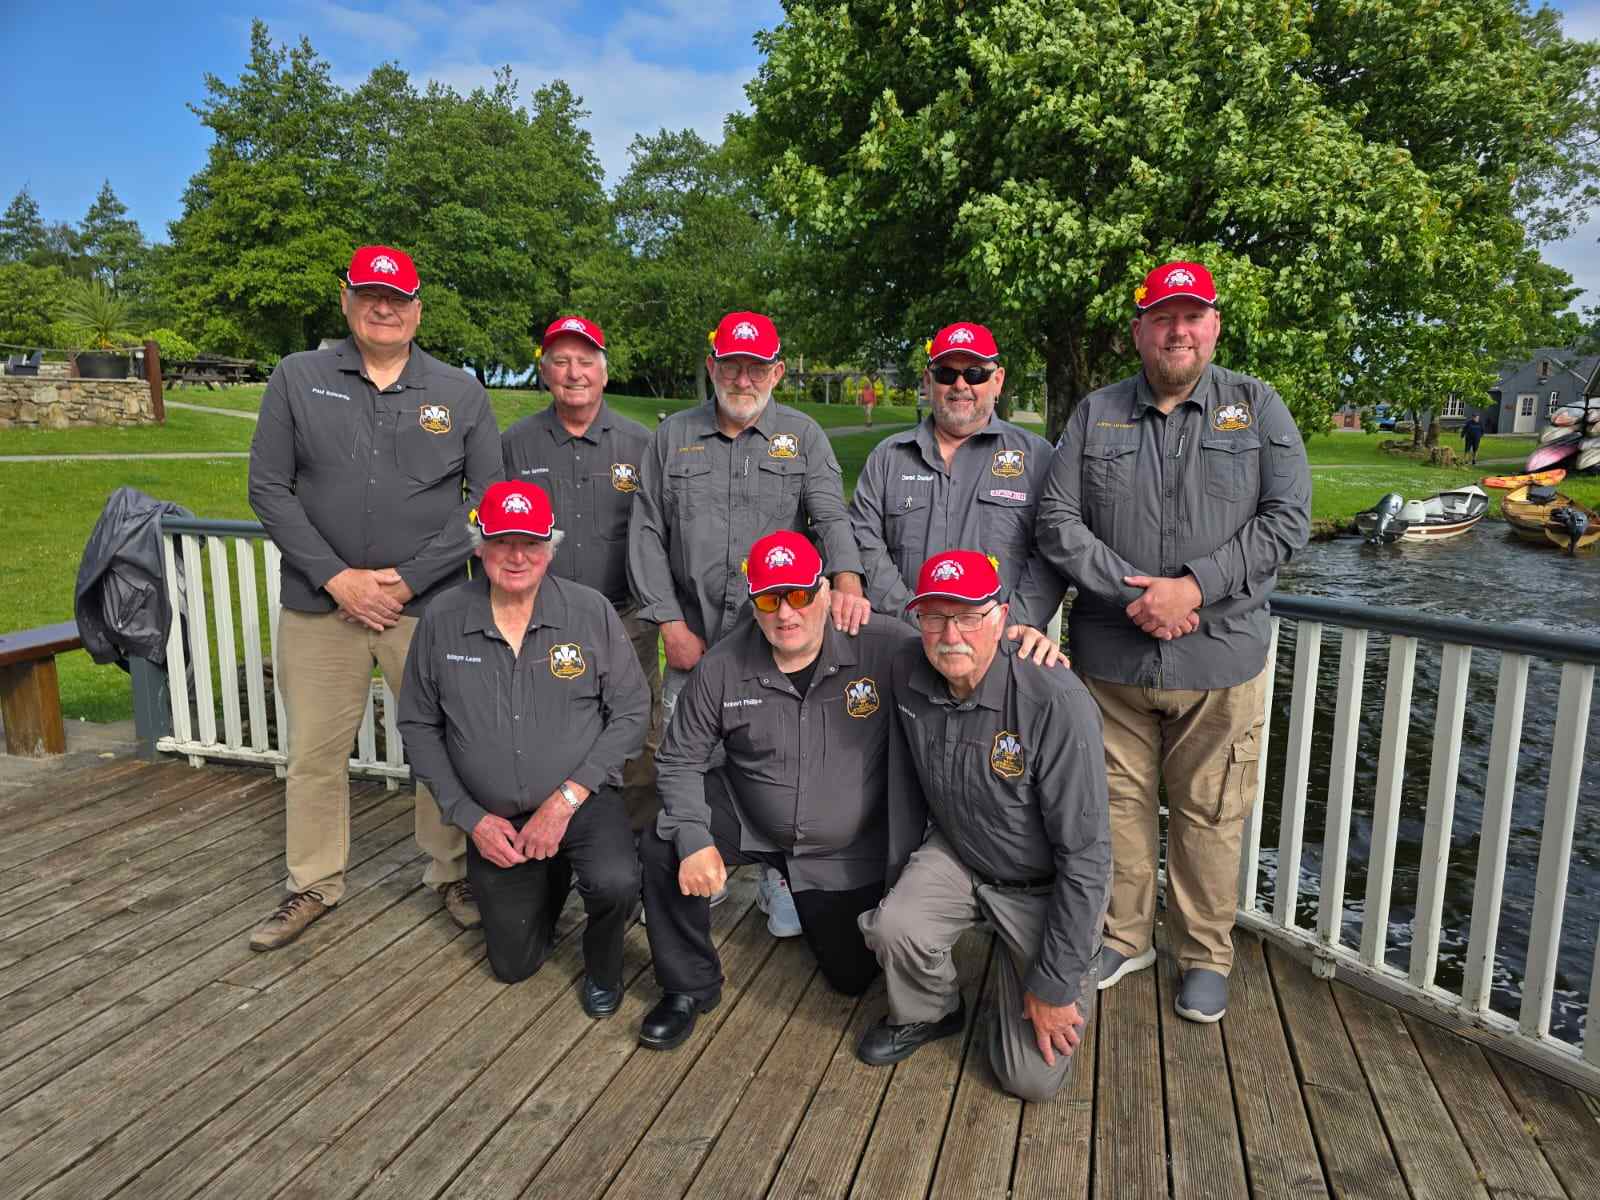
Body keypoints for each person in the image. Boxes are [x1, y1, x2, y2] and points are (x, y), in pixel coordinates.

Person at [1035, 260, 1311, 1022]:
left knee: (1210, 814)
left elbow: (1288, 519)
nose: (1177, 330)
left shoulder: (1258, 408)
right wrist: (1138, 592)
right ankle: (1124, 938)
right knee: (1114, 810)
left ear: (1214, 325)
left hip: (1219, 659)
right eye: (1162, 317)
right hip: (1112, 663)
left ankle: (1203, 953)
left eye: (1192, 316)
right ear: (1140, 331)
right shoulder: (1096, 413)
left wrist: (1193, 586)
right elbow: (1057, 523)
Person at [246, 244, 502, 950]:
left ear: (418, 309)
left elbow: (487, 504)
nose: (383, 307)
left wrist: (408, 579)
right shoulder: (298, 377)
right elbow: (268, 488)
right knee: (315, 753)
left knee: (444, 749)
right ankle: (313, 884)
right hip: (320, 605)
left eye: (398, 297)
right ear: (346, 300)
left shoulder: (460, 392)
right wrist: (339, 579)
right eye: (370, 294)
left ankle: (450, 873)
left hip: (428, 608)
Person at [628, 310, 870, 937]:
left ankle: (778, 876)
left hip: (778, 635)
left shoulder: (804, 435)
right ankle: (700, 860)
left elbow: (830, 517)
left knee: (783, 762)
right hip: (696, 637)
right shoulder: (672, 436)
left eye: (756, 366)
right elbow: (648, 533)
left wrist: (846, 580)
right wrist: (670, 624)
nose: (743, 377)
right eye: (731, 364)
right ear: (712, 366)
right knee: (694, 761)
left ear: (777, 371)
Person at [635, 531, 914, 1049]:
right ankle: (686, 987)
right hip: (752, 819)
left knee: (851, 979)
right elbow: (678, 759)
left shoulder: (884, 645)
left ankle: (796, 889)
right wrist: (695, 839)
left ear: (826, 592)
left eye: (800, 595)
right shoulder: (724, 664)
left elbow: (958, 657)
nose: (786, 614)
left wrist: (1021, 648)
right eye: (769, 598)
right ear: (754, 604)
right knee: (663, 839)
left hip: (841, 851)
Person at [856, 551, 1110, 1102]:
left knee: (1028, 1080)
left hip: (1041, 887)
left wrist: (1053, 981)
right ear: (917, 620)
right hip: (963, 855)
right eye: (934, 617)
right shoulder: (906, 670)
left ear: (1001, 618)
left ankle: (1031, 966)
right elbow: (903, 790)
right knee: (894, 924)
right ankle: (932, 1012)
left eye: (968, 616)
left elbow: (1088, 857)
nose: (951, 634)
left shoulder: (1055, 701)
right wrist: (899, 883)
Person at [398, 481, 648, 1015]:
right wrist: (471, 819)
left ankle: (604, 965)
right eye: (503, 541)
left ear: (550, 547)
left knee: (615, 881)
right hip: (496, 819)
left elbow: (630, 712)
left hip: (580, 799)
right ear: (479, 545)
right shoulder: (443, 618)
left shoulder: (589, 611)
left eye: (531, 543)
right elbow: (418, 724)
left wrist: (564, 801)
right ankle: (548, 874)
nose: (517, 556)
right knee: (513, 964)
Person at [502, 316, 660, 833]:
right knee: (546, 735)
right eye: (562, 362)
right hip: (539, 622)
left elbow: (662, 533)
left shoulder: (642, 445)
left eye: (586, 361)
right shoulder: (516, 445)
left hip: (626, 621)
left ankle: (633, 853)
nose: (575, 373)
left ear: (604, 373)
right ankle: (552, 851)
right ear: (545, 371)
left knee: (637, 738)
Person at [850, 321, 1066, 640]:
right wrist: (916, 622)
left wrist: (1003, 629)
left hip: (1004, 649)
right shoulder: (888, 457)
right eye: (947, 373)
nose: (960, 385)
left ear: (998, 380)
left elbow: (1052, 551)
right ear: (928, 380)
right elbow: (864, 541)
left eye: (975, 373)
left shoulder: (1037, 458)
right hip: (903, 645)